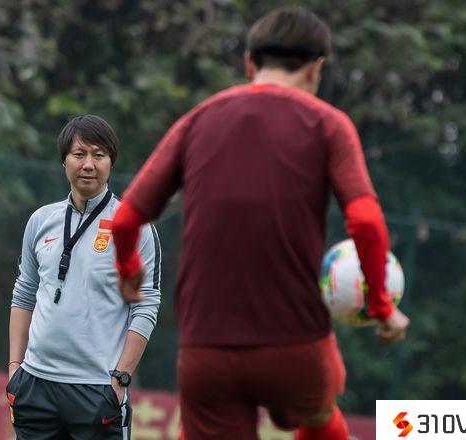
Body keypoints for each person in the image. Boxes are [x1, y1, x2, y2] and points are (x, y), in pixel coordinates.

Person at [111, 7, 409, 440]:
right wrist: (382, 307)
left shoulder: (197, 120)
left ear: (250, 63)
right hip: (296, 342)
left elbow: (125, 219)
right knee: (319, 412)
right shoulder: (329, 124)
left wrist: (127, 268)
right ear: (315, 69)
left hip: (206, 346)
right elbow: (365, 220)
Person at [7, 115, 162, 440]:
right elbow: (24, 293)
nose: (88, 164)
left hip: (97, 390)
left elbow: (145, 306)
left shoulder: (134, 228)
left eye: (98, 155)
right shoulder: (41, 220)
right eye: (79, 154)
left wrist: (120, 380)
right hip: (35, 386)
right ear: (64, 161)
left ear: (110, 162)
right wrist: (14, 369)